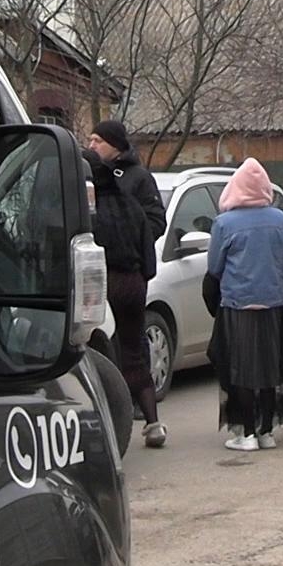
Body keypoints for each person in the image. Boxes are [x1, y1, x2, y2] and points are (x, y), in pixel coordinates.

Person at [204, 159, 283, 450]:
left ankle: (245, 432)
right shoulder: (280, 219)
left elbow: (215, 266)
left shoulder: (224, 223)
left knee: (241, 370)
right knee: (269, 368)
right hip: (273, 303)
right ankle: (267, 431)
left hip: (239, 303)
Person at [90, 155, 165, 447]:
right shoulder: (133, 206)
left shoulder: (91, 211)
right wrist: (143, 277)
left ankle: (109, 426)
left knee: (103, 351)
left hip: (103, 283)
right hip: (134, 282)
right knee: (135, 351)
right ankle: (153, 423)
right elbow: (148, 247)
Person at [86, 120, 167, 282]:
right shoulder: (88, 174)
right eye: (91, 140)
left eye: (98, 141)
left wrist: (127, 243)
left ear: (115, 145)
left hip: (128, 270)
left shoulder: (139, 177)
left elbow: (156, 221)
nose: (91, 146)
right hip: (93, 266)